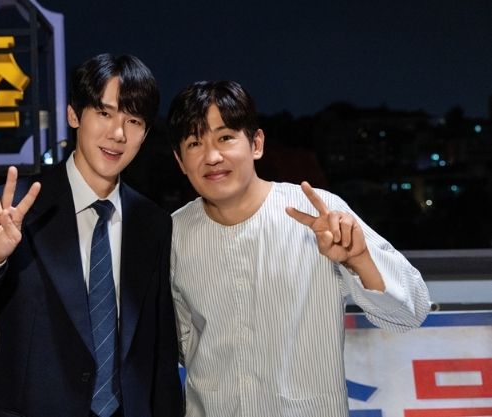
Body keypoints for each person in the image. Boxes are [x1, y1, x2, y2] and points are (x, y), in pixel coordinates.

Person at [0, 53, 183, 417]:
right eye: (105, 113)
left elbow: (161, 358)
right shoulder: (11, 211)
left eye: (134, 120)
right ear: (73, 114)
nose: (118, 134)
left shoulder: (152, 222)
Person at [166, 80, 430, 417]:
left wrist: (358, 259)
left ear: (256, 143)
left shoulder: (321, 214)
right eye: (194, 143)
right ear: (180, 161)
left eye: (225, 137)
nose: (212, 156)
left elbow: (410, 314)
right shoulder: (173, 233)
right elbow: (179, 341)